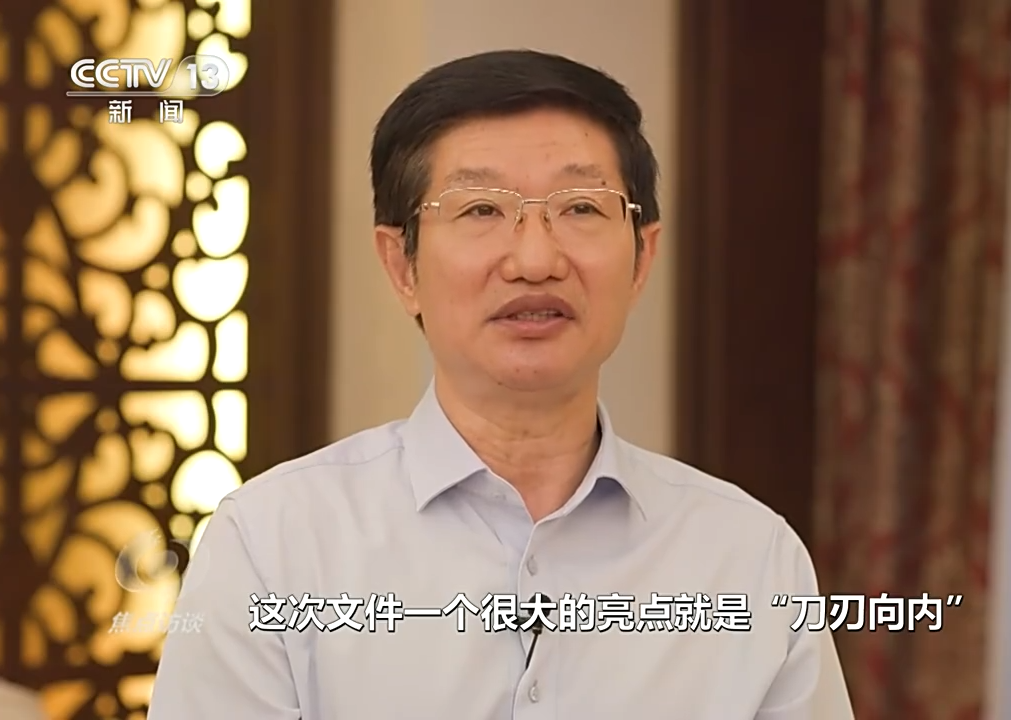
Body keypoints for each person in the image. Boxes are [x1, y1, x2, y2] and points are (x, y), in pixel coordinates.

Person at [148, 49, 853, 719]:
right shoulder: (272, 545)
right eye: (481, 210)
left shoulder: (752, 561)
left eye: (582, 207)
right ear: (401, 265)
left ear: (642, 258)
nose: (535, 259)